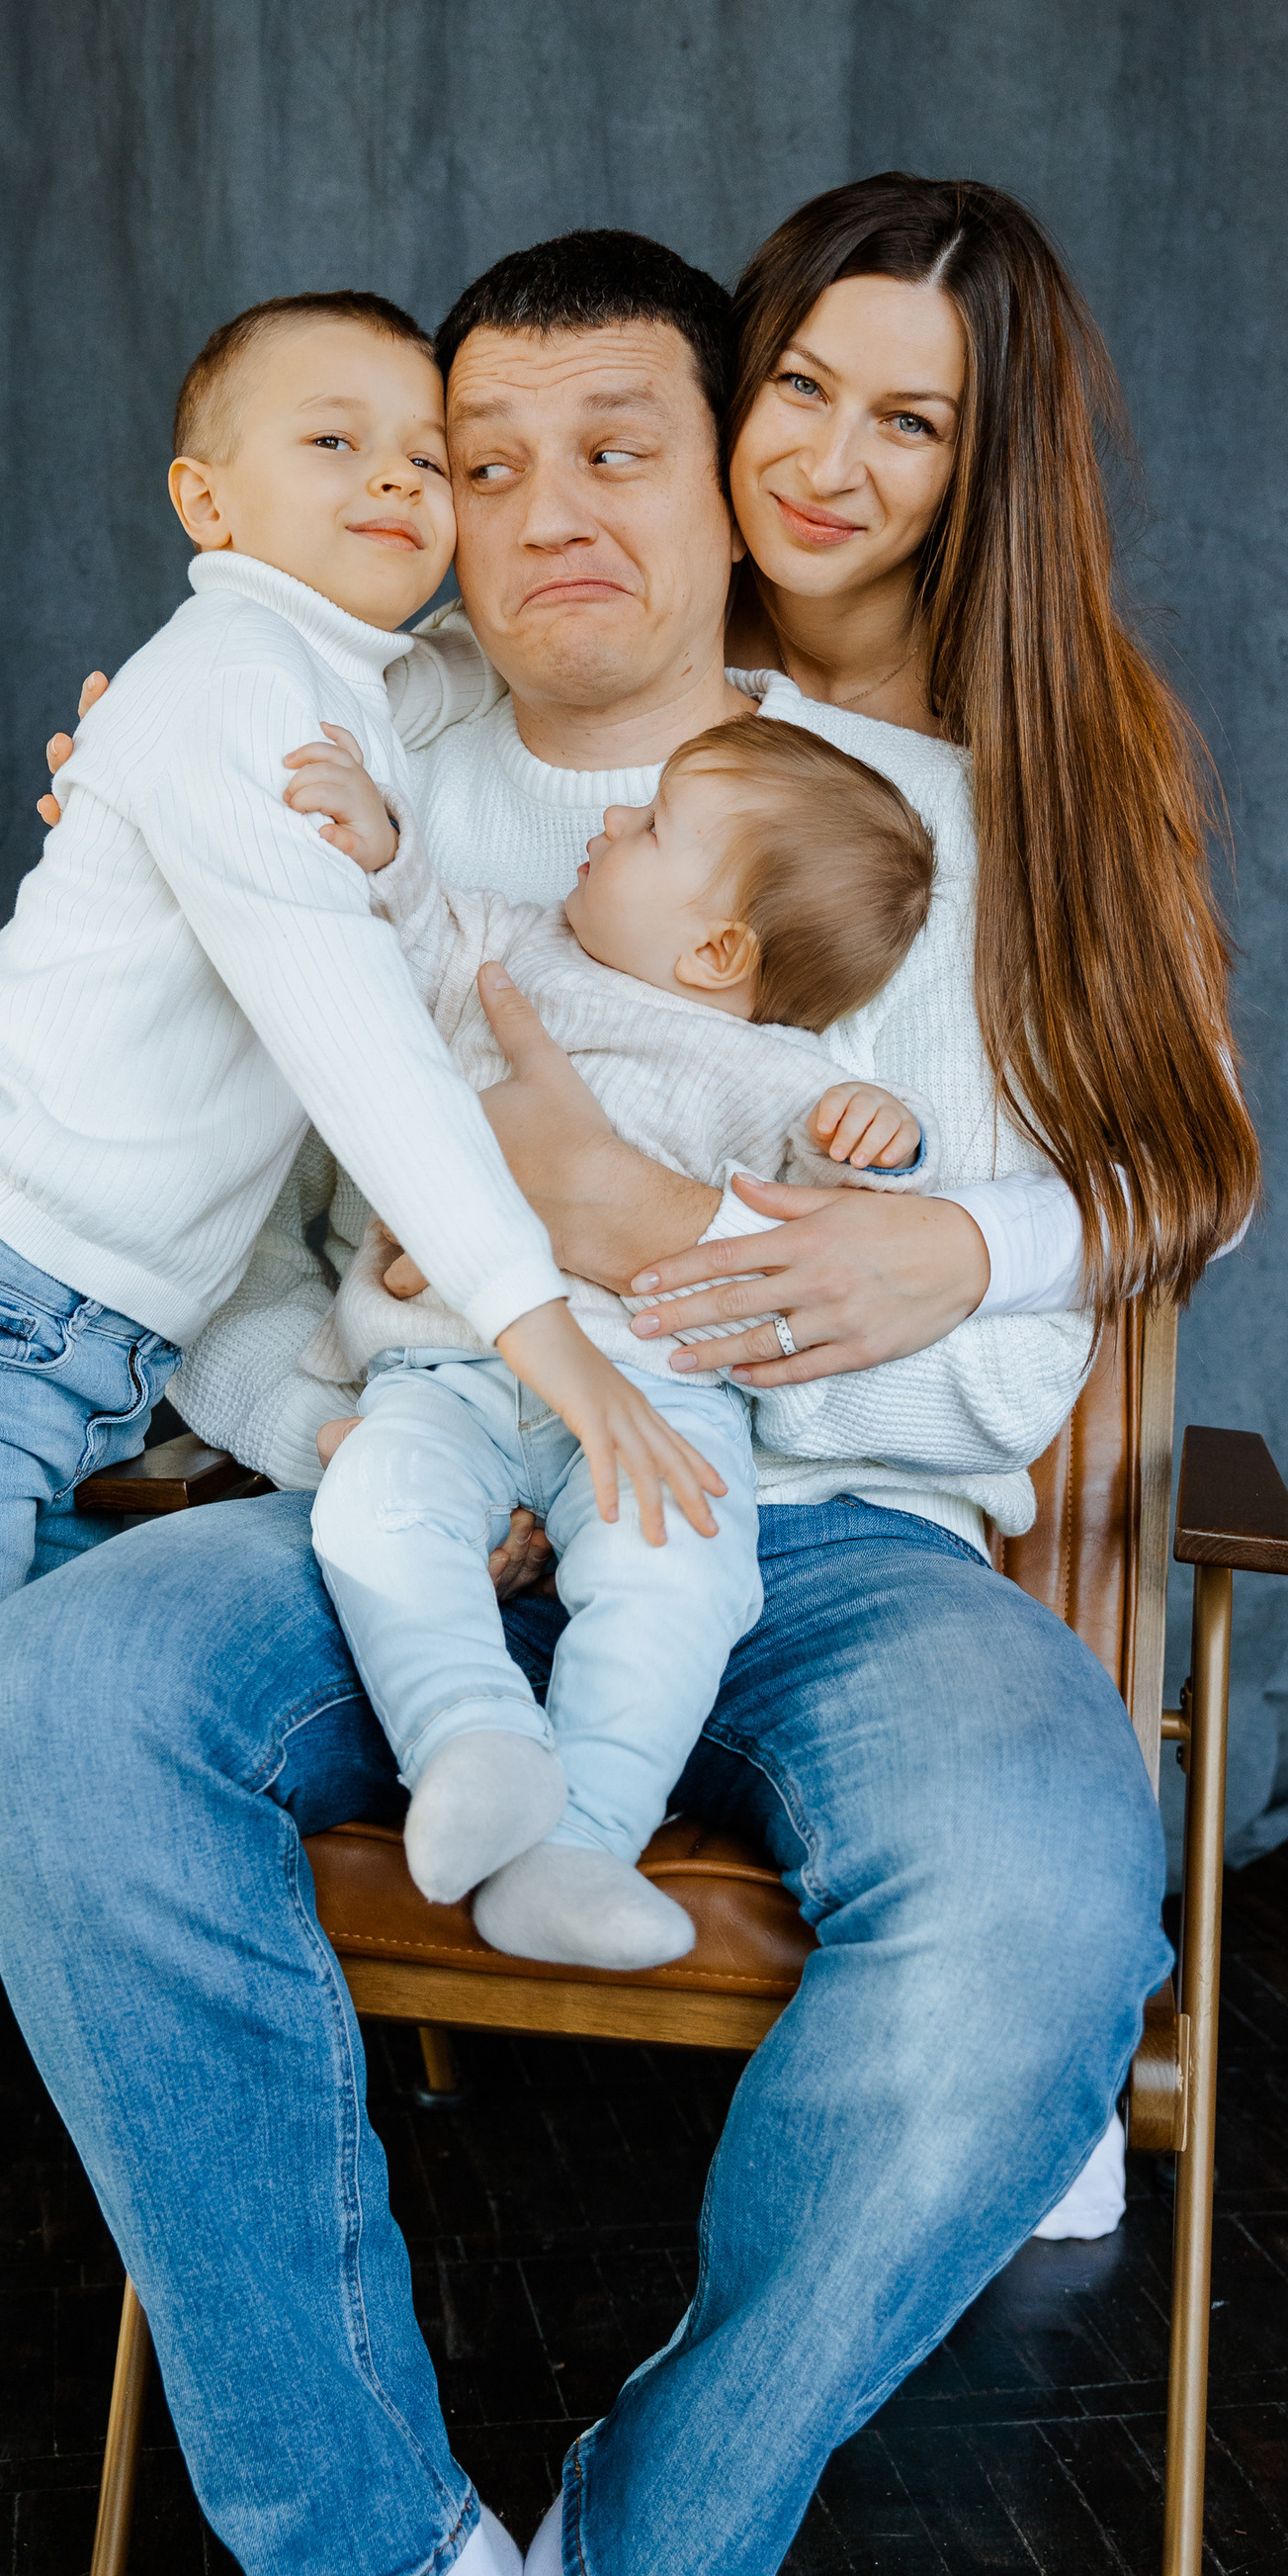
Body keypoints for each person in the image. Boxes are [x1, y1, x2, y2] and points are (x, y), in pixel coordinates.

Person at [0, 190, 1258, 2576]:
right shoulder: (342, 776)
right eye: (486, 460)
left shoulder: (928, 831)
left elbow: (1007, 1343)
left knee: (1043, 1897)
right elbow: (217, 1260)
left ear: (722, 483)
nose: (550, 512)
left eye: (621, 448)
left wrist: (665, 1271)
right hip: (421, 1485)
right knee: (59, 1681)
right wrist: (341, 1417)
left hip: (840, 1537)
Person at [0, 287, 723, 2576]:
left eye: (423, 449)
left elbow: (499, 770)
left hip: (125, 1353)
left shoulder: (379, 691)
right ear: (205, 501)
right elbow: (361, 1052)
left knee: (2, 1830)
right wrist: (553, 1349)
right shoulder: (213, 693)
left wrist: (318, 1418)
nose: (401, 481)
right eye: (330, 440)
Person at [293, 710, 936, 1964]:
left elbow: (835, 1227)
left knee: (678, 1576)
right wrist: (379, 847)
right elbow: (405, 929)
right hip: (447, 1369)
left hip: (655, 1398)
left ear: (718, 949)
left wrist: (881, 1137)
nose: (609, 820)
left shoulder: (777, 1072)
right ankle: (470, 1739)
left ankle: (579, 1845)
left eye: (650, 827)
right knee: (373, 1507)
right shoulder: (512, 946)